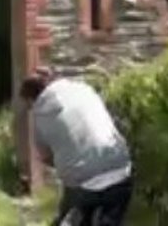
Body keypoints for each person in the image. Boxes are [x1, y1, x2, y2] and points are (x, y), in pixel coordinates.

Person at [18, 68, 133, 226]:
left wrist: (65, 161)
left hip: (81, 183)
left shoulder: (40, 116)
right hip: (119, 169)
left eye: (29, 105)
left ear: (32, 100)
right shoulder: (83, 89)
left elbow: (45, 156)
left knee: (73, 209)